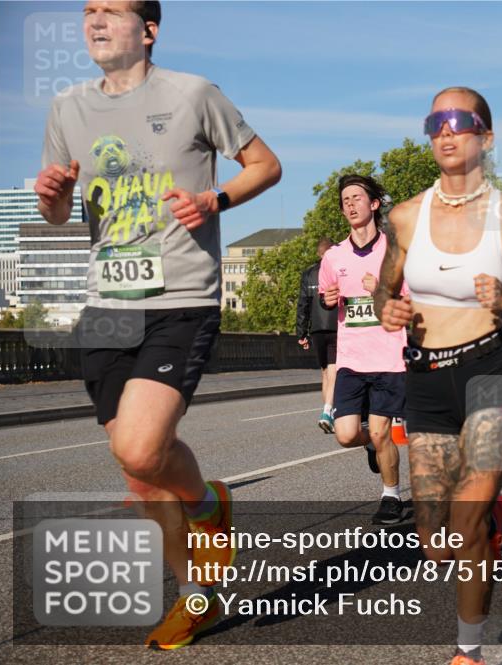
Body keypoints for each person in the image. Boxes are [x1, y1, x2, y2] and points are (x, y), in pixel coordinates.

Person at [34, 0, 281, 649]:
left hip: (180, 295)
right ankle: (194, 597)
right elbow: (62, 215)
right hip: (107, 305)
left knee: (142, 448)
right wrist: (52, 196)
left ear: (148, 29)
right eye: (89, 9)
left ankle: (205, 504)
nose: (95, 19)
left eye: (111, 10)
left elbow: (265, 164)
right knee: (140, 474)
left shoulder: (194, 94)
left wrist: (213, 198)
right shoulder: (66, 109)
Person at [374, 86, 502, 665]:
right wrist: (389, 310)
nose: (445, 130)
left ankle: (468, 651)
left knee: (465, 523)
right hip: (427, 380)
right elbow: (385, 291)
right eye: (435, 121)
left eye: (459, 120)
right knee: (435, 544)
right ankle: (489, 521)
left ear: (485, 136)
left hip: (490, 372)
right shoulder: (405, 217)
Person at [319, 175, 406, 526]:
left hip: (389, 357)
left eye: (356, 197)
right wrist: (327, 300)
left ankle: (391, 495)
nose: (350, 204)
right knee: (344, 435)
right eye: (345, 200)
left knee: (384, 430)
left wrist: (382, 292)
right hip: (351, 361)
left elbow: (410, 304)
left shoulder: (395, 253)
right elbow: (327, 296)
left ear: (373, 204)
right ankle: (372, 446)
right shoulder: (334, 256)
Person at [297, 237, 339, 432]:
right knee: (335, 370)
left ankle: (327, 411)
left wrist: (301, 333)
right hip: (336, 325)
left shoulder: (308, 274)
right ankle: (330, 412)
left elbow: (303, 305)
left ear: (318, 253)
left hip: (316, 329)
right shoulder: (338, 270)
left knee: (324, 372)